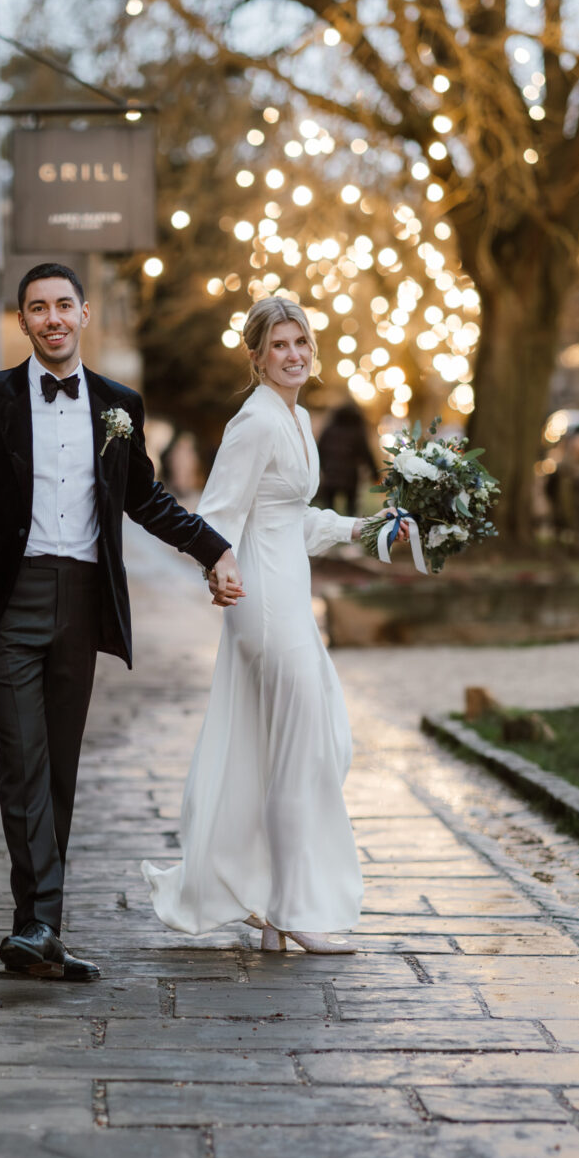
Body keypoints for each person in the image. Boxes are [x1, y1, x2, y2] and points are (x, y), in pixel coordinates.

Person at [0, 262, 241, 982]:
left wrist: (213, 550)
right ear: (25, 321)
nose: (53, 318)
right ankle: (37, 922)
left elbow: (146, 500)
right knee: (22, 760)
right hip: (5, 602)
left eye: (64, 305)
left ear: (84, 315)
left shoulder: (117, 405)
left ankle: (41, 931)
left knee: (58, 770)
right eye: (38, 308)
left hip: (81, 600)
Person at [142, 296, 403, 955]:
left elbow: (292, 520)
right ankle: (293, 909)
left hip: (290, 596)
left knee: (303, 750)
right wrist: (217, 567)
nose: (294, 354)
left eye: (301, 343)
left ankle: (271, 902)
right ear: (256, 357)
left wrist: (364, 530)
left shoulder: (296, 416)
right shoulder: (254, 422)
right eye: (280, 345)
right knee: (303, 752)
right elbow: (221, 514)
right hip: (262, 604)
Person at [317, 400, 379, 518]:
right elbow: (366, 453)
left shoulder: (330, 428)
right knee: (351, 507)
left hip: (331, 473)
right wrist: (375, 474)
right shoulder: (357, 430)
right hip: (350, 475)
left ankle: (328, 528)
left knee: (328, 508)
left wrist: (322, 467)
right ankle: (351, 527)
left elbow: (319, 448)